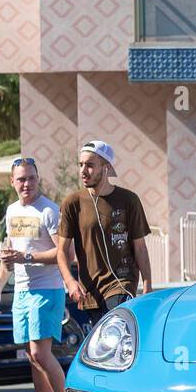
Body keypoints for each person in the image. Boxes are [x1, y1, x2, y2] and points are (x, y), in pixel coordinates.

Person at [0, 157, 67, 392]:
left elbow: (63, 253)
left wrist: (27, 256)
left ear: (38, 179)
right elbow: (9, 253)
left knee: (40, 353)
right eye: (21, 179)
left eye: (31, 178)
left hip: (48, 288)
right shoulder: (11, 211)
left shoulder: (49, 210)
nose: (27, 184)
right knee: (32, 357)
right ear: (12, 182)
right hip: (22, 290)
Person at [56, 140, 153, 329]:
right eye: (81, 164)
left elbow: (140, 247)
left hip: (121, 283)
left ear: (106, 167)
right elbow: (61, 251)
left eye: (90, 165)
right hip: (89, 290)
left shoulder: (129, 200)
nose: (84, 171)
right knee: (102, 350)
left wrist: (148, 284)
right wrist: (70, 281)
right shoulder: (72, 203)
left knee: (115, 332)